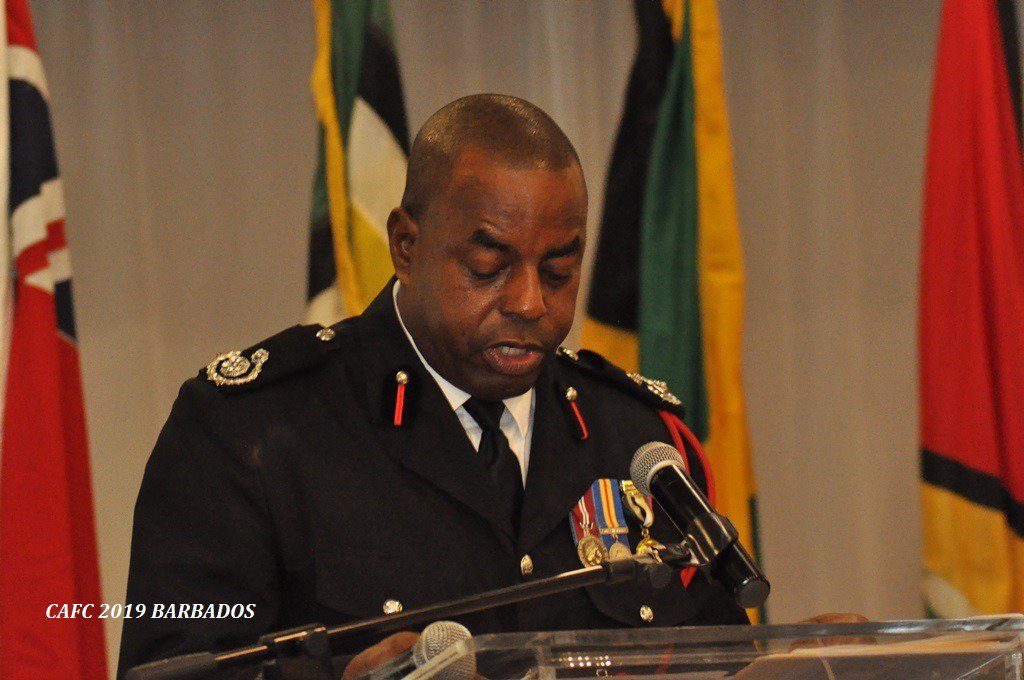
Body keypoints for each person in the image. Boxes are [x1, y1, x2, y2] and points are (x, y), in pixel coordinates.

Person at [117, 94, 749, 678]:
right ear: (406, 245)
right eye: (488, 266)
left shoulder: (636, 440)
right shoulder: (251, 433)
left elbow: (723, 659)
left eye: (558, 271)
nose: (530, 302)